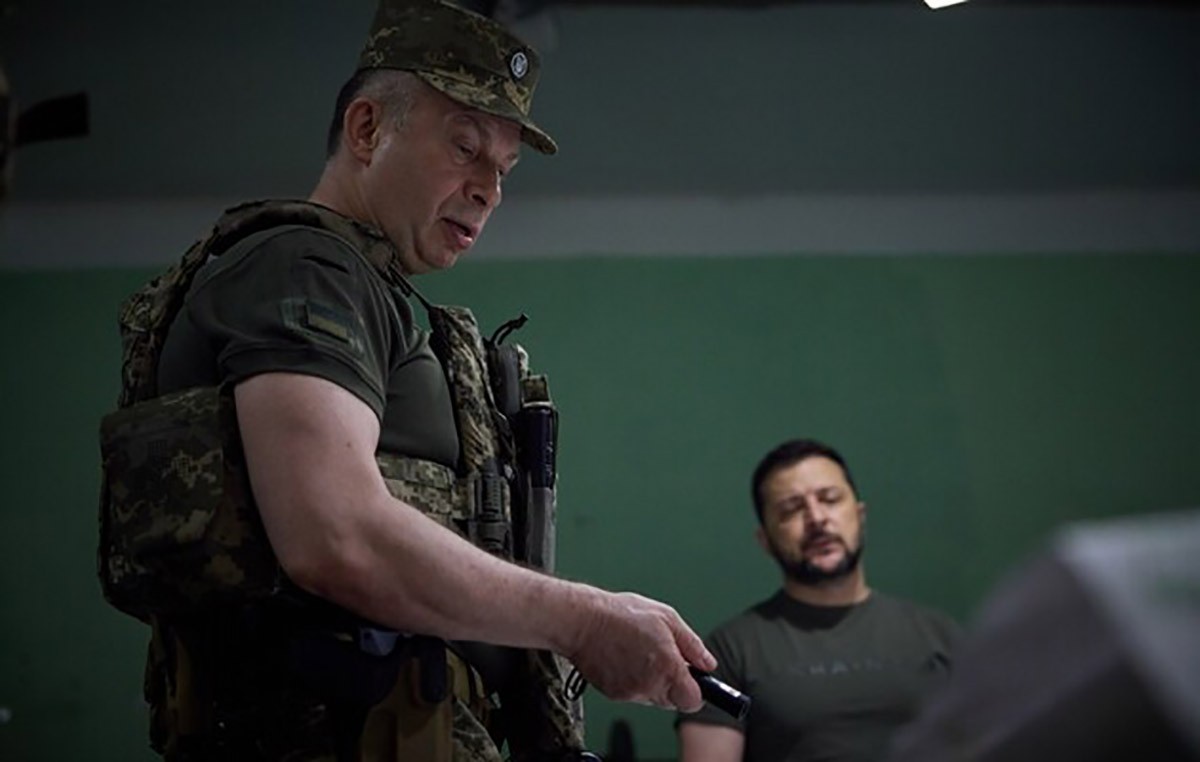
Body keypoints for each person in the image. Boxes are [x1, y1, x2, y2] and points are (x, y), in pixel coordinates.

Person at [96, 1, 715, 760]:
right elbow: (335, 536)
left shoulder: (367, 289)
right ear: (366, 129)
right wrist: (584, 622)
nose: (489, 190)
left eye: (503, 170)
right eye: (465, 147)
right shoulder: (305, 271)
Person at [676, 438, 960, 762]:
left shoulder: (939, 636)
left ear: (860, 514)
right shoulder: (729, 652)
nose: (816, 518)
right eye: (791, 509)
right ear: (765, 539)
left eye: (830, 499)